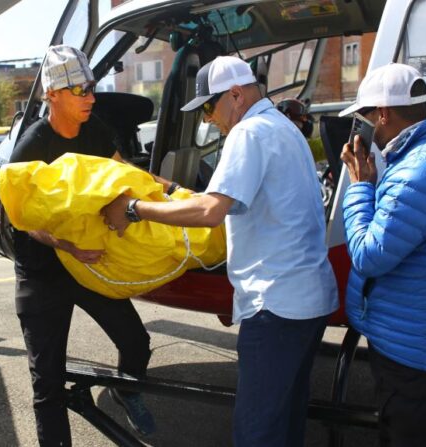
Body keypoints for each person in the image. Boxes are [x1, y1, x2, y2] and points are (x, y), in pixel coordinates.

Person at [102, 56, 339, 446]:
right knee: (287, 420)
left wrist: (133, 209)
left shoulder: (248, 134)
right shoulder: (281, 127)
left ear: (235, 94)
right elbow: (231, 200)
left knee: (257, 433)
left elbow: (212, 212)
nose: (208, 119)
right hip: (306, 301)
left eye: (209, 108)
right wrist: (165, 187)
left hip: (275, 306)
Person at [9, 45, 156, 445]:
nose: (91, 97)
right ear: (53, 94)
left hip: (90, 264)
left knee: (136, 343)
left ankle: (126, 391)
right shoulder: (31, 147)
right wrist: (67, 246)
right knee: (48, 384)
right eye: (81, 90)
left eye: (91, 87)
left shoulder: (96, 130)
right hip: (42, 271)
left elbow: (126, 174)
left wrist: (172, 193)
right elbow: (20, 221)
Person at [338, 63, 426, 446]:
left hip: (408, 344)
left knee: (409, 434)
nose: (364, 129)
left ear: (383, 113)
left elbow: (369, 255)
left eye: (364, 118)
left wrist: (359, 187)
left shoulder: (418, 171)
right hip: (416, 331)